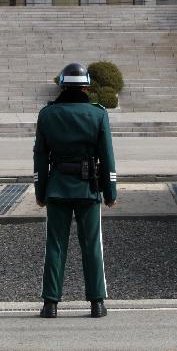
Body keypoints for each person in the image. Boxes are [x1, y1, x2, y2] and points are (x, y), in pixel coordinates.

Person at [34, 63, 117, 318]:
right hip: (88, 187)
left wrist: (41, 191)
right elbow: (107, 155)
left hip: (57, 188)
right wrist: (110, 191)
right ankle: (97, 303)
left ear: (61, 85)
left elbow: (40, 156)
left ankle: (50, 304)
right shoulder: (98, 114)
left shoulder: (47, 114)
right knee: (92, 245)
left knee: (55, 245)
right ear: (86, 86)